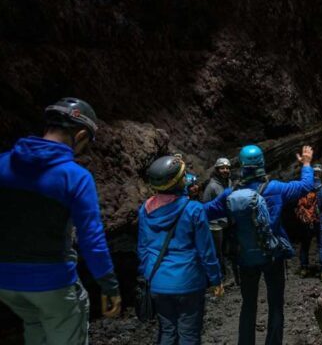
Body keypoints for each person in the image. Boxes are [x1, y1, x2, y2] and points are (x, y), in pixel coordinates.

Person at [0, 98, 121, 345]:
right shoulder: (74, 176)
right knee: (66, 322)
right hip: (51, 280)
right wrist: (109, 286)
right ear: (81, 135)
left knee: (34, 324)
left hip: (5, 283)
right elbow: (91, 240)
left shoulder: (2, 162)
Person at [205, 144, 314, 345]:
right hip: (272, 255)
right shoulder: (275, 189)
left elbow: (206, 211)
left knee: (248, 306)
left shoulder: (231, 194)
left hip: (245, 257)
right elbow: (306, 186)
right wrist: (306, 164)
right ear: (262, 164)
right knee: (275, 305)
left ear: (243, 166)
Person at [138, 155, 224, 345]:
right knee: (189, 334)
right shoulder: (194, 209)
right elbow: (206, 251)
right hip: (189, 282)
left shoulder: (145, 209)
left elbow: (143, 249)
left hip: (158, 281)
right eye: (183, 176)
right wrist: (216, 279)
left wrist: (148, 275)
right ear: (177, 182)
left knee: (167, 332)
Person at [296, 163, 322, 281]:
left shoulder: (303, 188)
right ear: (321, 174)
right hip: (320, 222)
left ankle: (304, 269)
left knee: (305, 246)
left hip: (306, 221)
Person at [202, 157, 235, 284]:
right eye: (222, 168)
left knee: (227, 250)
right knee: (217, 252)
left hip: (228, 222)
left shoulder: (229, 183)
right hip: (215, 225)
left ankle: (228, 274)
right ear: (217, 170)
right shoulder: (212, 186)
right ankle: (218, 278)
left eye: (227, 168)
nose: (225, 170)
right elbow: (206, 206)